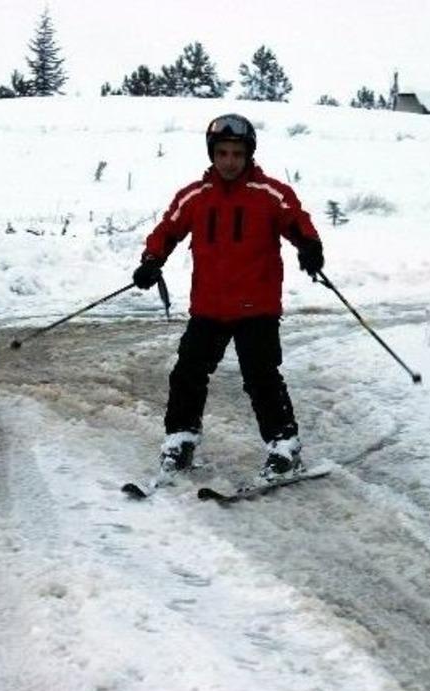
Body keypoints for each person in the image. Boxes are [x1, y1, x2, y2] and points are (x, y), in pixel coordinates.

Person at [132, 112, 325, 479]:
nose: (230, 161)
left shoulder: (270, 193)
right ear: (212, 154)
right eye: (222, 153)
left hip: (258, 306)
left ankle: (285, 447)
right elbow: (168, 229)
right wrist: (151, 260)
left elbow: (295, 219)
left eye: (237, 154)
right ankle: (180, 440)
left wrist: (309, 246)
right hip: (209, 306)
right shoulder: (195, 196)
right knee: (188, 372)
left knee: (261, 376)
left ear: (249, 154)